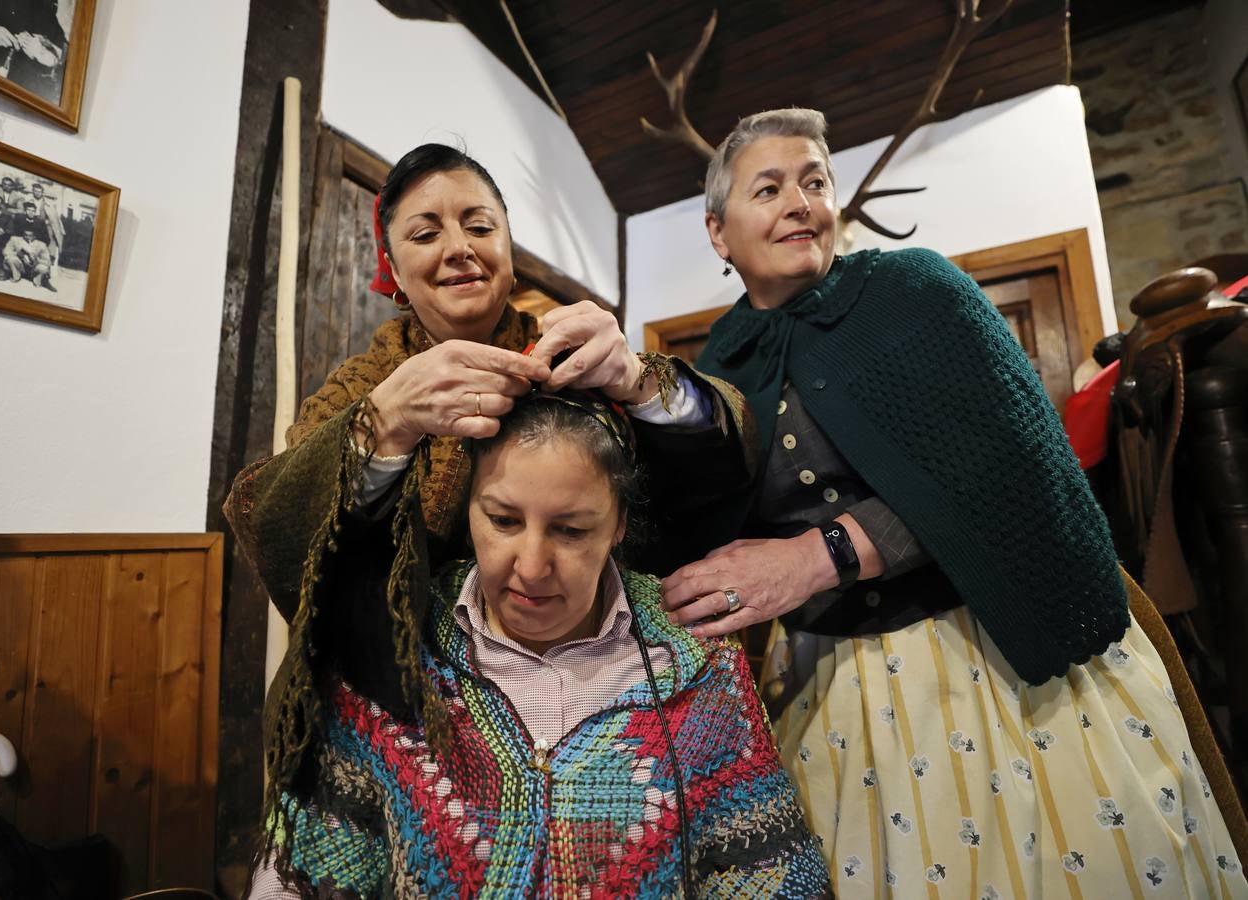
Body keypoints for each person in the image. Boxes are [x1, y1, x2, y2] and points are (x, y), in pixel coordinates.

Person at [661, 108, 1247, 897]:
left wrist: (812, 558)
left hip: (995, 657)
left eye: (815, 182)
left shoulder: (916, 289)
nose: (800, 202)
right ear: (717, 231)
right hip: (833, 689)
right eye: (768, 188)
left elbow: (1011, 466)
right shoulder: (725, 361)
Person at [225, 144, 755, 893]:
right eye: (425, 233)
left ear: (509, 246)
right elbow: (281, 531)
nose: (457, 248)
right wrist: (388, 423)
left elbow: (720, 466)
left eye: (479, 224)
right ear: (394, 271)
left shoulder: (577, 360)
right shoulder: (357, 396)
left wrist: (638, 382)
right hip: (402, 716)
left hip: (591, 703)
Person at [243, 391, 831, 898]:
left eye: (571, 530)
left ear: (620, 524)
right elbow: (301, 874)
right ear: (467, 507)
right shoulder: (396, 658)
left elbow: (773, 876)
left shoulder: (702, 673)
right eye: (501, 520)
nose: (531, 566)